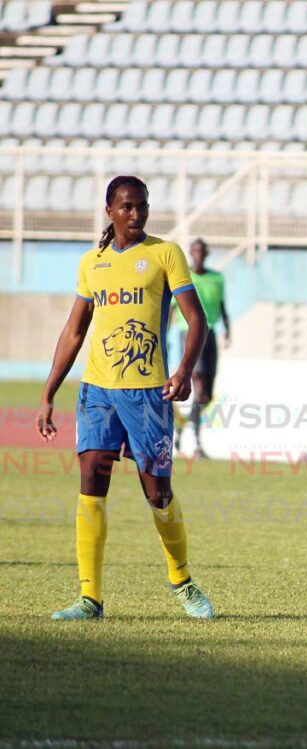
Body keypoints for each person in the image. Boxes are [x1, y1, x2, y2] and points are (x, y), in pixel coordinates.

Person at [36, 175, 215, 621]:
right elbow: (75, 331)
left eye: (142, 206)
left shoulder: (164, 254)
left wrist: (184, 371)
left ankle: (182, 580)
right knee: (91, 485)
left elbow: (198, 321)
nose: (136, 215)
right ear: (109, 210)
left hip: (148, 394)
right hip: (98, 391)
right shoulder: (92, 263)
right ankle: (89, 598)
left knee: (157, 493)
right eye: (127, 207)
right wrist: (49, 392)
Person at [172, 238, 230, 458]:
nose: (198, 255)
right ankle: (196, 444)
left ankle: (180, 427)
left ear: (206, 254)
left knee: (206, 394)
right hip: (188, 333)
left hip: (211, 333)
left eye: (202, 251)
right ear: (190, 253)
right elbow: (171, 308)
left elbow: (222, 305)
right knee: (196, 385)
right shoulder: (183, 276)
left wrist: (228, 329)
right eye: (195, 251)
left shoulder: (217, 278)